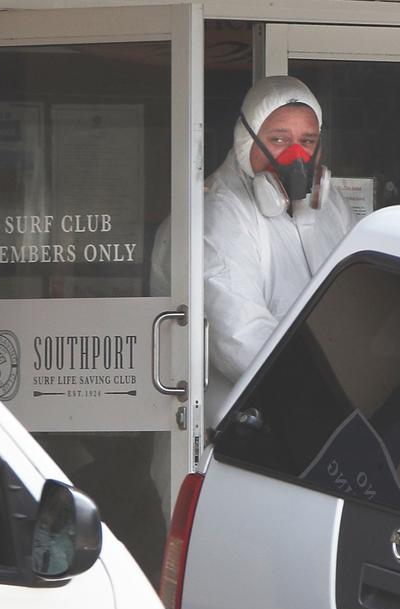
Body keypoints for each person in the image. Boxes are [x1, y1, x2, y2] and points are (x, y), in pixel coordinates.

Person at [150, 75, 356, 426]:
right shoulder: (217, 213)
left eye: (308, 140)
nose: (297, 156)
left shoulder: (329, 206)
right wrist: (336, 390)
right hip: (231, 432)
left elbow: (356, 297)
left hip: (308, 415)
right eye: (279, 140)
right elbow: (240, 339)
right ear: (247, 141)